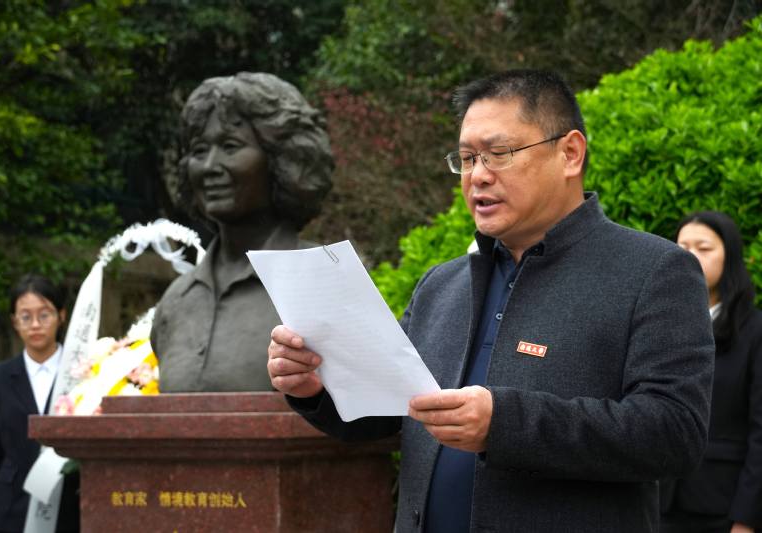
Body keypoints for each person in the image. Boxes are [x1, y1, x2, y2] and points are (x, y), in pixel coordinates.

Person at [266, 69, 715, 532]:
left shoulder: (652, 272)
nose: (478, 176)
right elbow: (386, 415)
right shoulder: (441, 285)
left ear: (570, 153)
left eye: (499, 154)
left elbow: (675, 432)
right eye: (466, 159)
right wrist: (315, 387)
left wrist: (503, 424)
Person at [151, 72, 333, 392]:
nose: (210, 166)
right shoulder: (176, 300)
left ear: (281, 159)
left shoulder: (325, 280)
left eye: (230, 146)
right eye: (199, 150)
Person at [660, 211, 762, 533]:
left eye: (703, 248)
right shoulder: (660, 324)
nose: (690, 257)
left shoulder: (755, 331)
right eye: (682, 248)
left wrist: (747, 519)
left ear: (729, 257)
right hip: (657, 503)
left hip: (722, 507)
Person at [0, 274, 79, 533]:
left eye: (44, 315)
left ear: (61, 316)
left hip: (70, 511)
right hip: (11, 513)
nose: (35, 325)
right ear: (14, 322)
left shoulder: (82, 374)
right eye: (26, 316)